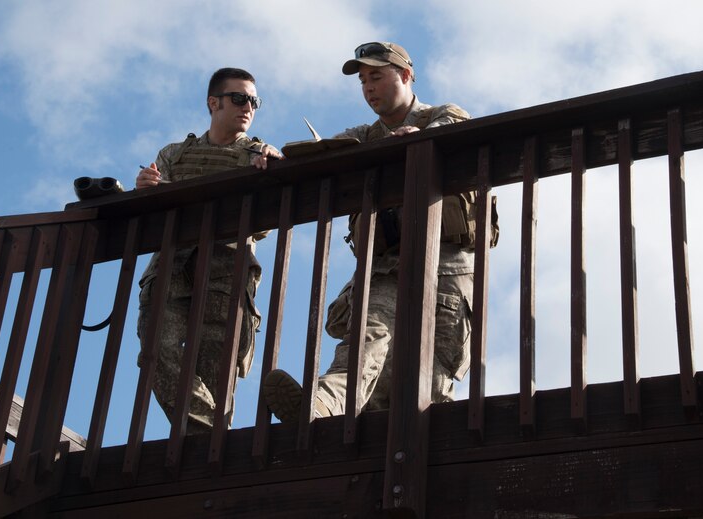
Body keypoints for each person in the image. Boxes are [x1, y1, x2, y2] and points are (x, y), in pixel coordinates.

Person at [263, 42, 495, 422]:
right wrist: (275, 158)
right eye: (363, 81)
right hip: (386, 268)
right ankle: (323, 406)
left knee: (427, 382)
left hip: (448, 269)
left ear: (405, 75)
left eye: (376, 76)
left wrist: (417, 138)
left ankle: (411, 460)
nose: (368, 88)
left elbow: (452, 126)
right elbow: (321, 153)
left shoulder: (443, 115)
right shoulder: (362, 136)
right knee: (366, 336)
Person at [136, 67, 282, 433]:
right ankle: (208, 437)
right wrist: (146, 189)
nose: (248, 107)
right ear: (213, 103)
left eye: (254, 101)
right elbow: (153, 213)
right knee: (156, 351)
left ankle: (202, 447)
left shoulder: (258, 154)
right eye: (239, 98)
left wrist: (273, 174)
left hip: (226, 270)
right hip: (173, 263)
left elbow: (267, 223)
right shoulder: (174, 154)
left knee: (217, 367)